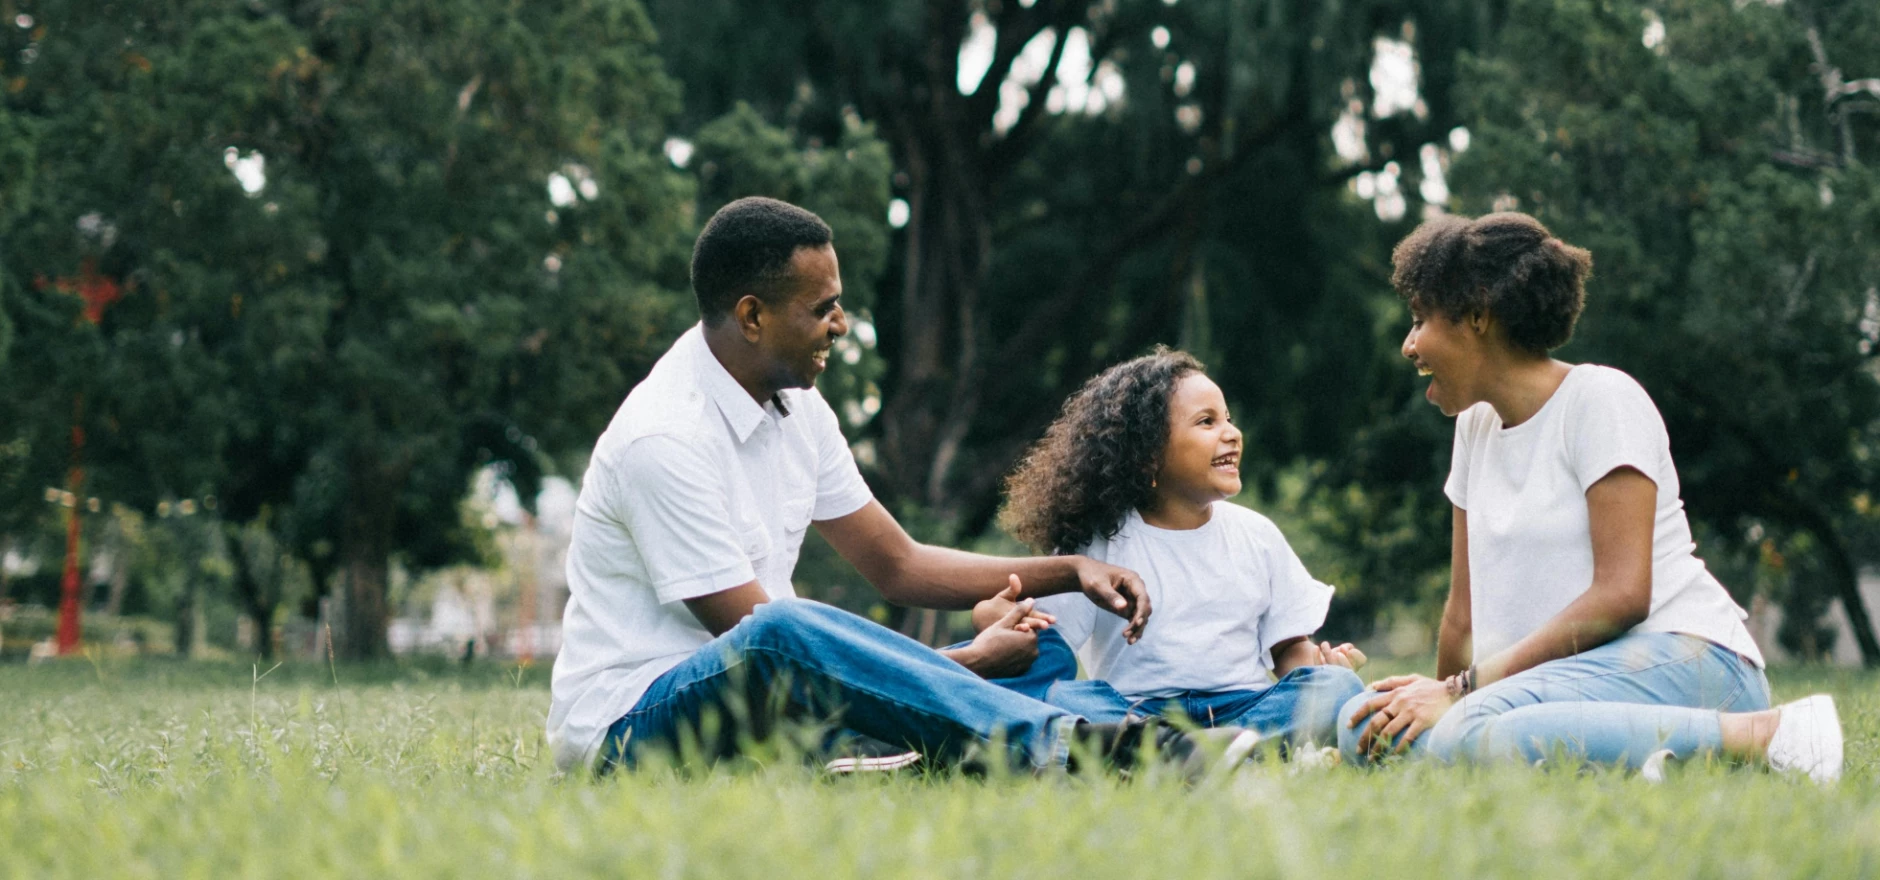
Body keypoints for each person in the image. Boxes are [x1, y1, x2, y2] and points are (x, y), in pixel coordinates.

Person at [547, 196, 1242, 776]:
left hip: (772, 702)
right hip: (633, 728)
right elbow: (761, 645)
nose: (841, 326)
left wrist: (1069, 571)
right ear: (753, 316)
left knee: (1037, 652)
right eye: (822, 309)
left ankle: (1155, 737)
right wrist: (965, 660)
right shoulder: (663, 438)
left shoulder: (798, 409)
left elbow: (899, 565)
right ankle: (1070, 746)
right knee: (782, 626)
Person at [1337, 211, 1842, 783]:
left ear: (1477, 314)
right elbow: (1462, 615)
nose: (1409, 345)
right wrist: (1430, 702)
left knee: (1472, 728)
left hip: (1685, 659)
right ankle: (1638, 758)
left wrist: (1461, 694)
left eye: (1419, 318)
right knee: (1362, 728)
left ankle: (1770, 734)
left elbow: (1623, 595)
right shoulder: (1474, 429)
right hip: (1558, 682)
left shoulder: (1601, 400)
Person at [970, 348, 1368, 753]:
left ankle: (1202, 752)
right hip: (1137, 714)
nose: (1231, 432)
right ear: (1147, 456)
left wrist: (1316, 670)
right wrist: (995, 616)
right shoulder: (1097, 543)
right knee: (1064, 699)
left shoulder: (1257, 535)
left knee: (1337, 688)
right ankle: (1203, 752)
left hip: (1244, 706)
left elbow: (1287, 648)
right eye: (1207, 422)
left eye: (1228, 419)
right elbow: (1047, 642)